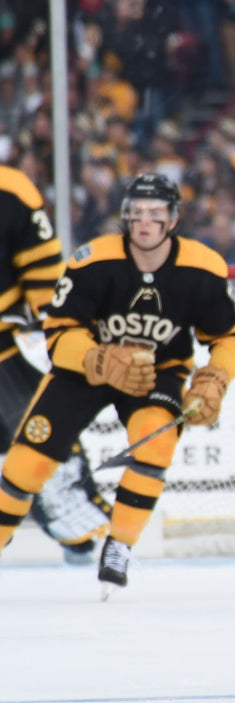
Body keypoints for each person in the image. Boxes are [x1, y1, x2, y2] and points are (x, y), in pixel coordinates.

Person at [0, 174, 235, 596]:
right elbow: (59, 331)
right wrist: (97, 359)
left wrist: (214, 378)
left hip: (158, 372)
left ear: (173, 219)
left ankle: (119, 547)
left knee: (156, 442)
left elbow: (232, 338)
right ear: (125, 217)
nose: (145, 222)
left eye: (155, 213)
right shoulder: (92, 260)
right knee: (27, 462)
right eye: (136, 213)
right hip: (84, 372)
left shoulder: (202, 268)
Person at [0, 164, 111, 564]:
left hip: (6, 351)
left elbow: (43, 271)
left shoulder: (11, 190)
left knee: (43, 444)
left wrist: (54, 328)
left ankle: (83, 540)